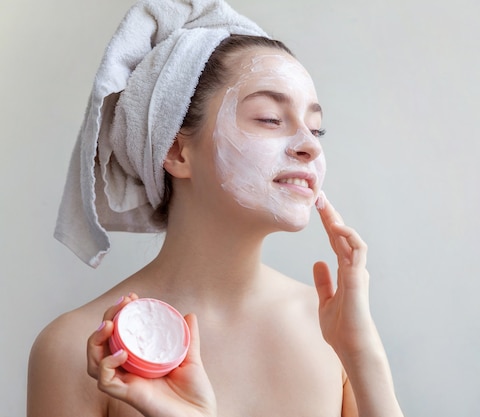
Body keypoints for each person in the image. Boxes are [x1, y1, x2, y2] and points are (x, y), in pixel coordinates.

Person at [27, 1, 404, 416]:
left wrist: (362, 354)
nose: (310, 145)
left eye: (316, 129)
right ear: (177, 150)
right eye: (269, 119)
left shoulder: (334, 330)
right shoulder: (80, 350)